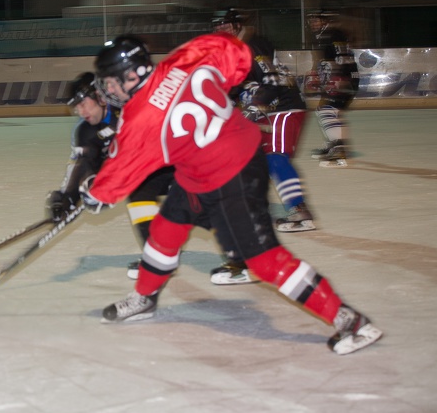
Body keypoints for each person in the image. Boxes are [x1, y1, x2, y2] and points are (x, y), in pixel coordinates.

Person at [80, 33, 382, 355]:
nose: (108, 90)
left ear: (132, 73)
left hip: (232, 176)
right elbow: (231, 50)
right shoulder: (184, 59)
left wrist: (93, 195)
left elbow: (118, 175)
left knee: (264, 261)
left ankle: (350, 320)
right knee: (165, 231)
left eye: (111, 82)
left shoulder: (140, 118)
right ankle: (145, 297)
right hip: (206, 169)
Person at [207, 8, 316, 285]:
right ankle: (288, 208)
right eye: (217, 26)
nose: (221, 30)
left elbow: (272, 79)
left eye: (225, 25)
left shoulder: (249, 47)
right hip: (274, 110)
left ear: (235, 25)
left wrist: (257, 105)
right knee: (264, 159)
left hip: (283, 108)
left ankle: (299, 211)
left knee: (276, 158)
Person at [45, 72, 173, 279]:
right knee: (139, 194)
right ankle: (157, 256)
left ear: (99, 96)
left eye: (84, 103)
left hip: (175, 165)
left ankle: (240, 257)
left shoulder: (127, 108)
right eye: (76, 107)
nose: (81, 111)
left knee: (207, 204)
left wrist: (111, 183)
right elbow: (82, 165)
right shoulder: (86, 132)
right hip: (150, 175)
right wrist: (67, 198)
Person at [306, 10, 359, 167]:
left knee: (325, 111)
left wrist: (338, 78)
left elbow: (342, 57)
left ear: (326, 21)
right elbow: (325, 59)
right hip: (340, 78)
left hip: (343, 79)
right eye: (312, 21)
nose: (313, 24)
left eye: (317, 20)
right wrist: (316, 74)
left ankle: (338, 147)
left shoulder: (334, 34)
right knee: (330, 112)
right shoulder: (325, 36)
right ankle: (335, 145)